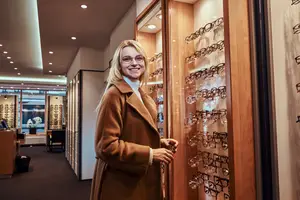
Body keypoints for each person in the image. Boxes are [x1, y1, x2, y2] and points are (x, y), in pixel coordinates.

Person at [90, 40, 178, 200]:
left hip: (138, 179)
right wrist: (150, 153)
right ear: (119, 64)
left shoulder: (141, 94)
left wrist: (159, 142)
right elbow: (106, 146)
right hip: (122, 184)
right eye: (127, 59)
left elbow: (132, 133)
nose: (134, 63)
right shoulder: (114, 95)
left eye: (139, 58)